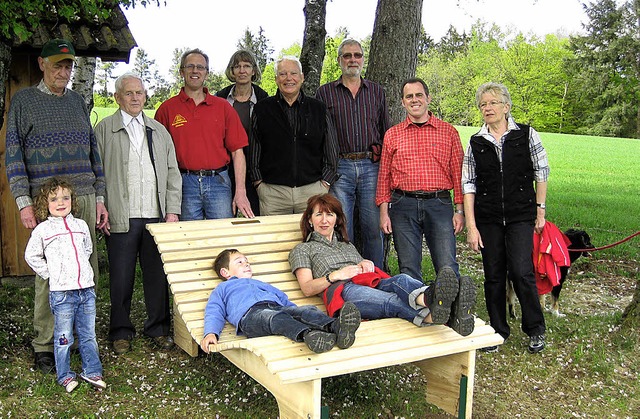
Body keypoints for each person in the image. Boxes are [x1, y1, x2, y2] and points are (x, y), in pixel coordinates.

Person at [5, 38, 109, 374]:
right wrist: (24, 203)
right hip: (45, 203)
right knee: (50, 276)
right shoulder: (24, 102)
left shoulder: (78, 102)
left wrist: (100, 197)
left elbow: (94, 153)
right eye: (58, 65)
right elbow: (13, 156)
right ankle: (46, 345)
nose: (64, 71)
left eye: (68, 66)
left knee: (84, 273)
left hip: (84, 198)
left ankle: (80, 339)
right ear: (42, 64)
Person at [289, 194, 476, 336]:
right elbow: (307, 288)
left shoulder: (346, 245)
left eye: (329, 215)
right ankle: (447, 313)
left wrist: (365, 262)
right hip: (344, 290)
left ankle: (432, 298)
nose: (324, 220)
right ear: (309, 220)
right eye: (318, 214)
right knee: (390, 301)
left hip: (367, 280)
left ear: (336, 220)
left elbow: (362, 267)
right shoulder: (302, 249)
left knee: (400, 280)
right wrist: (335, 275)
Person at [95, 73, 182, 355]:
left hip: (155, 215)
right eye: (129, 93)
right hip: (121, 214)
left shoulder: (159, 131)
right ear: (117, 97)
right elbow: (97, 173)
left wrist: (171, 211)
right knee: (121, 277)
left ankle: (158, 328)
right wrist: (101, 204)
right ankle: (120, 331)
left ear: (145, 97)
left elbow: (172, 173)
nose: (135, 98)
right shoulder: (103, 130)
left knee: (156, 275)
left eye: (139, 93)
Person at [462, 82, 548, 354]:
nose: (487, 108)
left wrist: (540, 209)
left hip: (521, 215)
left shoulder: (526, 134)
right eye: (483, 104)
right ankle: (498, 331)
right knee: (494, 275)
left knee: (522, 272)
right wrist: (472, 227)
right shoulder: (476, 141)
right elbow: (468, 184)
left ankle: (535, 328)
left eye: (492, 103)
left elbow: (541, 172)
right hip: (488, 219)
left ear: (506, 107)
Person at [376, 78, 465, 281]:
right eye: (409, 96)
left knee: (447, 265)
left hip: (439, 204)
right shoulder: (393, 134)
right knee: (408, 268)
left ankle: (451, 311)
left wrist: (460, 211)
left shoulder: (448, 132)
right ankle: (415, 311)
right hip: (402, 204)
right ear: (402, 102)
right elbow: (384, 176)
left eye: (419, 95)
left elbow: (458, 174)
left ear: (428, 98)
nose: (414, 100)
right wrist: (383, 212)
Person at [24, 178, 106, 393]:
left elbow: (87, 250)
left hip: (86, 290)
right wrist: (51, 274)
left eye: (65, 198)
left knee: (88, 334)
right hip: (62, 294)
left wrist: (83, 273)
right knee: (64, 337)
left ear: (72, 200)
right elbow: (31, 256)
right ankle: (65, 375)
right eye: (54, 199)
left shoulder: (81, 226)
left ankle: (92, 370)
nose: (61, 202)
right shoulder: (43, 230)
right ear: (45, 204)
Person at [316, 39, 390, 268]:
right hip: (340, 167)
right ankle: (347, 275)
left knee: (372, 227)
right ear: (339, 60)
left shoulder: (376, 91)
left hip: (371, 165)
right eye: (347, 56)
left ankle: (376, 276)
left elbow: (385, 130)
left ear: (363, 59)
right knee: (342, 226)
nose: (352, 60)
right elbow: (320, 134)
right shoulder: (325, 93)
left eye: (357, 55)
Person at [200, 249, 361, 354]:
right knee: (276, 319)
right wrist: (210, 333)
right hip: (251, 317)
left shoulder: (261, 284)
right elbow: (214, 311)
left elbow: (283, 299)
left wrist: (298, 312)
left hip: (276, 307)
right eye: (240, 262)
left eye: (247, 261)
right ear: (225, 272)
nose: (246, 263)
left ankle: (337, 327)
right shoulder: (223, 289)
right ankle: (309, 335)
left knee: (306, 311)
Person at [155, 48, 253, 220]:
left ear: (207, 73)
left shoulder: (223, 108)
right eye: (190, 66)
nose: (195, 71)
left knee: (223, 238)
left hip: (219, 183)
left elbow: (238, 152)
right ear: (181, 72)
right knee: (189, 240)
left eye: (200, 67)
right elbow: (158, 157)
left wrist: (240, 192)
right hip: (184, 183)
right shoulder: (167, 109)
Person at [249, 56, 339, 215]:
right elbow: (254, 148)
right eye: (283, 74)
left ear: (302, 77)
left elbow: (331, 147)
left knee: (312, 239)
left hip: (312, 191)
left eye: (293, 73)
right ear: (276, 79)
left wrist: (325, 182)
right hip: (272, 193)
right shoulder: (262, 109)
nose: (288, 78)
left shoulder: (318, 108)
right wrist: (258, 183)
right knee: (274, 239)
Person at [216, 50, 269, 216]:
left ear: (254, 71)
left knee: (255, 217)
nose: (242, 70)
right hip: (226, 169)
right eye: (237, 66)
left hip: (256, 168)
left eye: (247, 66)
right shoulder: (221, 99)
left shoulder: (264, 100)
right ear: (232, 71)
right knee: (226, 217)